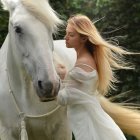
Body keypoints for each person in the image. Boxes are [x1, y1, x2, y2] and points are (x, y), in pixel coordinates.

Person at [56, 14, 140, 140]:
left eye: (71, 35)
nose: (65, 38)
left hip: (86, 124)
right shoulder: (86, 59)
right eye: (66, 33)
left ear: (83, 38)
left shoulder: (82, 64)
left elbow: (64, 99)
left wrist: (60, 78)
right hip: (86, 120)